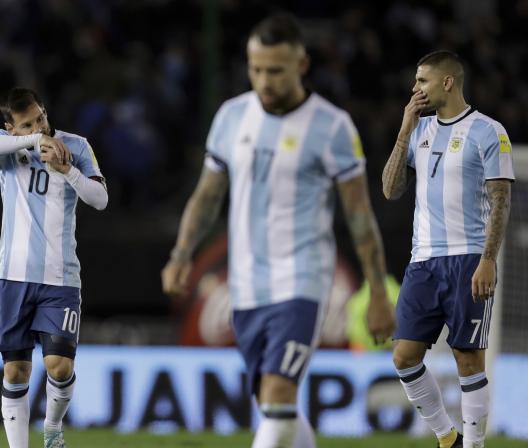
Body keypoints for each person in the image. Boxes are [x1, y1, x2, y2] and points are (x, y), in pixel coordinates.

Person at [161, 13, 395, 448]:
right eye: (256, 69)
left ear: (301, 65)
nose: (264, 81)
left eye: (275, 70)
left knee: (279, 392)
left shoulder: (333, 127)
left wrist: (378, 292)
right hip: (246, 283)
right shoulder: (232, 117)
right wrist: (181, 254)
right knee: (275, 409)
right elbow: (207, 196)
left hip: (302, 278)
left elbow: (359, 216)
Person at [382, 50, 513, 448]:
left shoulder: (488, 131)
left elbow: (501, 200)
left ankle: (473, 446)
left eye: (421, 81)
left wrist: (488, 260)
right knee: (404, 356)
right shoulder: (418, 131)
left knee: (467, 358)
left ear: (447, 82)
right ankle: (447, 437)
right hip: (422, 261)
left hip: (469, 257)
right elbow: (390, 190)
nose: (414, 89)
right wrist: (405, 128)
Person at [0, 87, 107, 448]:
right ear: (11, 127)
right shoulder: (6, 149)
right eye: (28, 124)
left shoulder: (75, 146)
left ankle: (53, 427)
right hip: (12, 277)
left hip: (60, 278)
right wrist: (29, 142)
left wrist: (67, 171)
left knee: (59, 367)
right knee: (16, 370)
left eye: (41, 118)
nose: (40, 127)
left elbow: (100, 199)